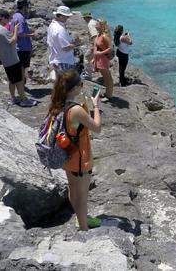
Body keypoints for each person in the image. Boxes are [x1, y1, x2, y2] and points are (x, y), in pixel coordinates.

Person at [48, 69, 102, 231]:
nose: (81, 87)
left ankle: (80, 217)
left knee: (73, 189)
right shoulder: (76, 110)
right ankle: (84, 228)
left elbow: (70, 127)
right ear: (73, 88)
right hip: (81, 159)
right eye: (80, 84)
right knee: (83, 196)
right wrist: (96, 106)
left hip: (67, 155)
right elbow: (97, 128)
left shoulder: (57, 104)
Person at [0, 10, 36, 107]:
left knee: (12, 80)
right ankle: (23, 100)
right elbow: (12, 41)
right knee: (19, 80)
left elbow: (7, 38)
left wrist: (13, 31)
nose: (9, 21)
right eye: (8, 19)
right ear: (3, 18)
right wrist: (16, 29)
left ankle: (13, 98)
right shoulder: (2, 30)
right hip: (12, 59)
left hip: (6, 59)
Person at [47, 6, 80, 74]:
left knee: (60, 83)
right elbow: (65, 48)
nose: (68, 18)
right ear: (61, 16)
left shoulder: (52, 25)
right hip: (63, 61)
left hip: (56, 60)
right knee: (66, 83)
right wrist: (76, 43)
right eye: (66, 16)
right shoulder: (60, 29)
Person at [11, 0, 35, 83]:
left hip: (18, 46)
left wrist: (28, 31)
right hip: (22, 47)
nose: (28, 8)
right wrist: (31, 35)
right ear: (24, 7)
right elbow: (20, 33)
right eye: (27, 6)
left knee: (20, 68)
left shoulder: (14, 16)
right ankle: (21, 88)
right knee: (22, 68)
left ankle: (20, 87)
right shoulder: (20, 17)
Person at [92, 19, 114, 102]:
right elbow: (96, 47)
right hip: (99, 58)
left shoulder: (104, 36)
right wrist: (94, 58)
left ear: (101, 25)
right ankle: (107, 93)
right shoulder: (99, 34)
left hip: (103, 59)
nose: (95, 24)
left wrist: (100, 54)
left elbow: (110, 48)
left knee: (107, 77)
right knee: (105, 77)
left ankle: (109, 95)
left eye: (97, 23)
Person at [81, 11, 98, 79]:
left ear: (85, 18)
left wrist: (93, 47)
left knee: (86, 58)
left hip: (95, 44)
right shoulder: (94, 22)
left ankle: (88, 75)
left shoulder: (90, 24)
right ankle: (92, 70)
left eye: (84, 18)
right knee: (91, 58)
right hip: (100, 44)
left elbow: (94, 35)